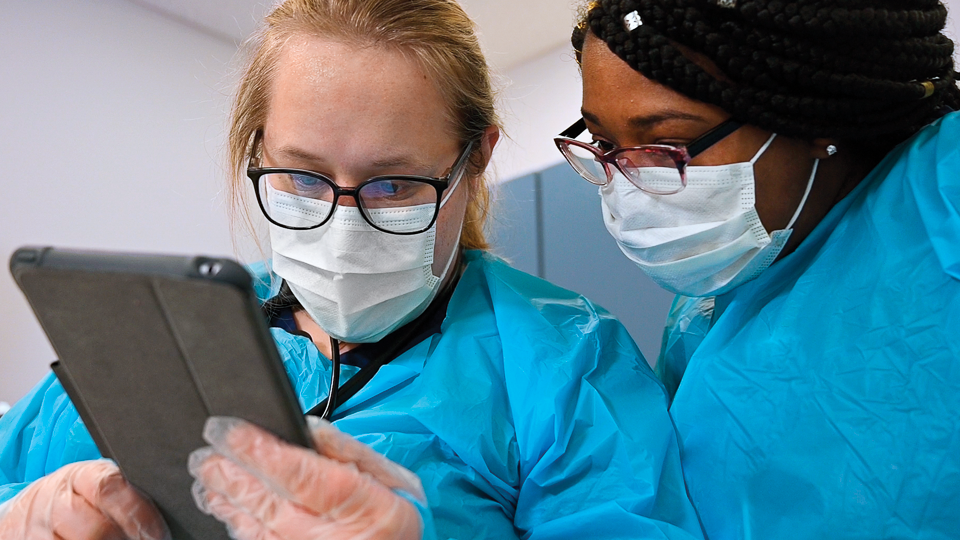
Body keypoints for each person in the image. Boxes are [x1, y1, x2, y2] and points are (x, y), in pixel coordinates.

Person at [0, 1, 706, 539]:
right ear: (257, 150)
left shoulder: (565, 366)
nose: (343, 224)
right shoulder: (150, 336)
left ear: (477, 158)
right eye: (303, 178)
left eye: (394, 185)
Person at [554, 0, 960, 538]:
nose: (629, 186)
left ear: (816, 114)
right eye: (604, 145)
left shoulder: (942, 199)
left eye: (669, 145)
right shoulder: (713, 306)